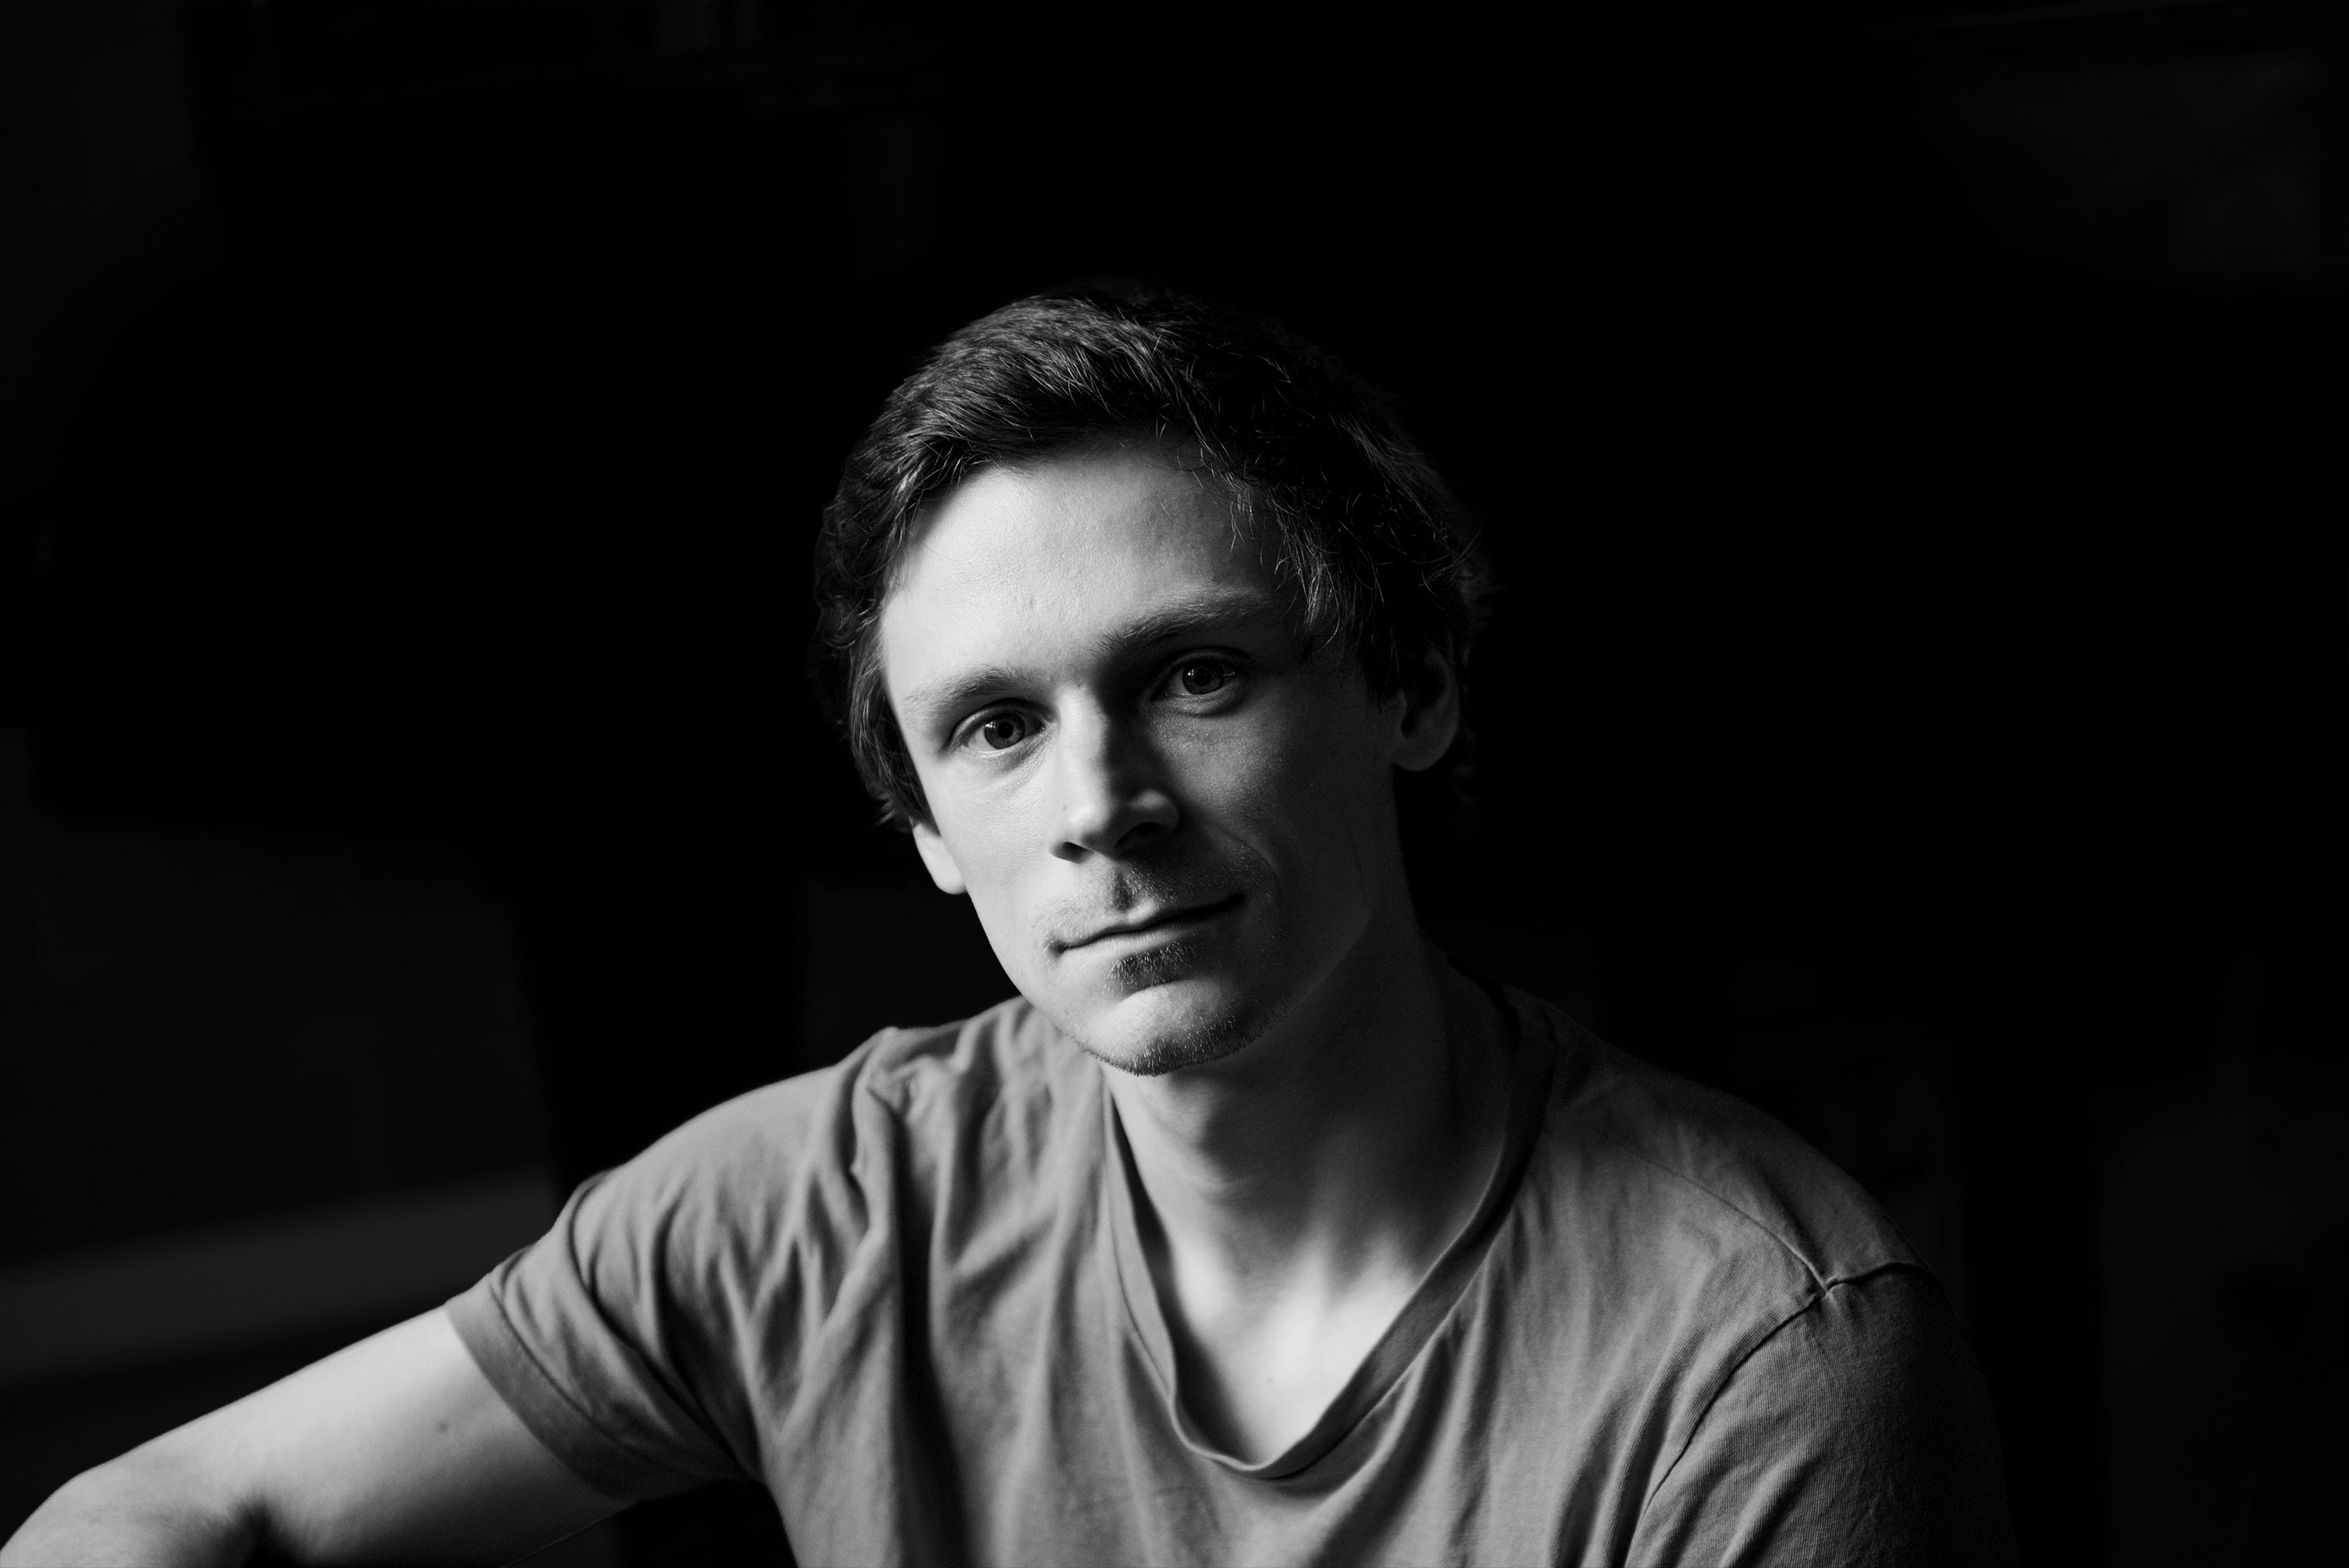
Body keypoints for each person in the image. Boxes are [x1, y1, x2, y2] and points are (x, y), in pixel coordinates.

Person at [3, 288, 2017, 1566]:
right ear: (927, 834)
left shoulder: (1761, 1352)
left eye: (1196, 676)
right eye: (994, 728)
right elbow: (155, 1510)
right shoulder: (821, 1209)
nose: (1097, 805)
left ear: (1413, 688)